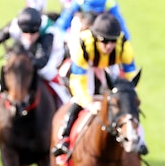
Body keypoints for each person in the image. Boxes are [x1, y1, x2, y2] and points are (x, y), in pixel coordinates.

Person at [51, 13, 147, 156]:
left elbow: (130, 76)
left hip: (110, 65)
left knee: (125, 101)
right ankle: (64, 138)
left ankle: (139, 140)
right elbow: (78, 82)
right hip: (88, 66)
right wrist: (89, 103)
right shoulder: (83, 47)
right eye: (105, 41)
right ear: (96, 38)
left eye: (113, 41)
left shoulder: (123, 47)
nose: (109, 46)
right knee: (80, 99)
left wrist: (127, 96)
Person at [0, 7, 70, 105]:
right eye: (26, 32)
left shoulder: (48, 32)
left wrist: (26, 62)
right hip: (28, 51)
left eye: (33, 33)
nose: (29, 36)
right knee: (10, 67)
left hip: (52, 53)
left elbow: (43, 60)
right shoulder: (15, 26)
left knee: (46, 72)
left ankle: (64, 98)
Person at [53, 0, 131, 41]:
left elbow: (125, 34)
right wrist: (69, 39)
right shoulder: (77, 2)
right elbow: (59, 27)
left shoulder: (110, 4)